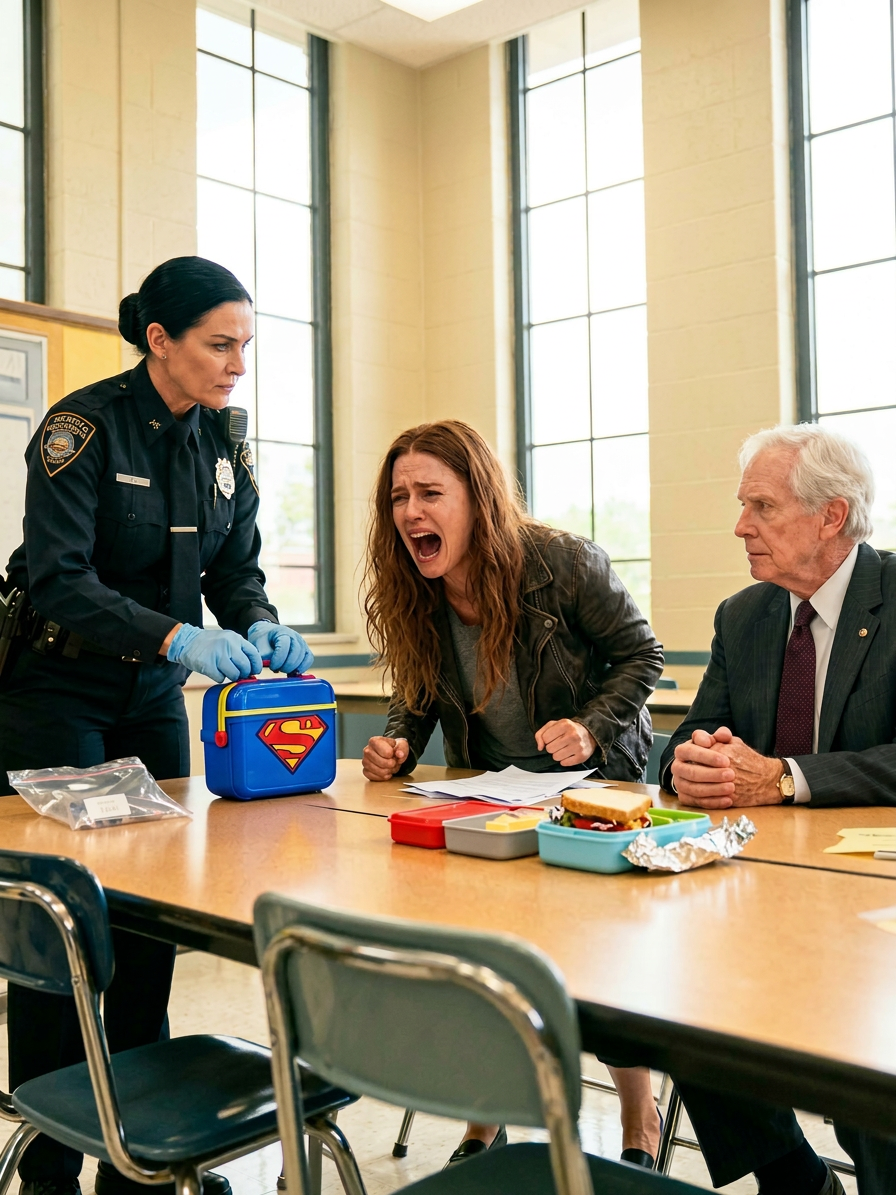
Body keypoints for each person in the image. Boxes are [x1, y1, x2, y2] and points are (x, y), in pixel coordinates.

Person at [0, 256, 312, 1195]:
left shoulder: (222, 443)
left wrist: (255, 617)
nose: (237, 366)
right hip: (54, 692)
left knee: (147, 929)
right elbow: (56, 575)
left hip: (149, 700)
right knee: (63, 927)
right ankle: (50, 1154)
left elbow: (235, 567)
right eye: (221, 346)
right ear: (159, 340)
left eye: (246, 346)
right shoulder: (79, 428)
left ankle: (136, 1157)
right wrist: (179, 634)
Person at [360, 420, 665, 1169]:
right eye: (400, 496)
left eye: (431, 492)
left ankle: (639, 1111)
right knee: (487, 959)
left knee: (600, 964)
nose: (410, 511)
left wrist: (592, 728)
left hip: (592, 792)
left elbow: (643, 652)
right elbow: (420, 688)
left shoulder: (561, 562)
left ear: (479, 498)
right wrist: (399, 737)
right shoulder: (418, 586)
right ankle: (487, 1110)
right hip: (491, 800)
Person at [659, 423, 896, 1195]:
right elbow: (687, 737)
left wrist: (787, 777)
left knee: (869, 1075)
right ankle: (794, 1179)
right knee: (684, 1004)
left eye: (761, 506)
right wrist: (689, 764)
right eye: (742, 505)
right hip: (761, 897)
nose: (740, 526)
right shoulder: (745, 615)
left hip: (874, 904)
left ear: (831, 515)